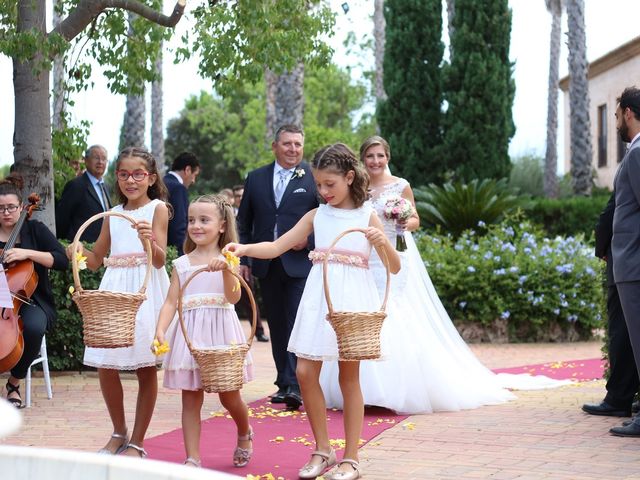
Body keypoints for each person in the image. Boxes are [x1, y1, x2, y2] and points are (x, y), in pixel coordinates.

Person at [320, 136, 570, 415]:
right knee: (366, 312)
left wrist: (401, 220)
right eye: (370, 156)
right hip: (368, 258)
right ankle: (362, 387)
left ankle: (391, 390)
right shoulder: (360, 188)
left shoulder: (401, 185)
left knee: (392, 312)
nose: (375, 161)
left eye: (380, 155)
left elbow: (415, 219)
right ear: (363, 159)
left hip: (395, 254)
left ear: (387, 157)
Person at [226, 143, 401, 480]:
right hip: (318, 298)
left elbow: (394, 267)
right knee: (305, 373)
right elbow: (277, 246)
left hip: (351, 301)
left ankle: (352, 457)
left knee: (348, 377)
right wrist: (244, 247)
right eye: (319, 185)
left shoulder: (367, 215)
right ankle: (323, 448)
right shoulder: (317, 215)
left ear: (349, 178)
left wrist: (380, 242)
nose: (323, 191)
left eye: (329, 184)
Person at [74, 146, 170, 456]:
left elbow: (158, 261)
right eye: (124, 174)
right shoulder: (113, 214)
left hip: (144, 291)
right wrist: (73, 252)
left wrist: (148, 239)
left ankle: (138, 441)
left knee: (144, 366)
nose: (131, 180)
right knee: (106, 364)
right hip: (114, 289)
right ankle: (118, 430)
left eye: (138, 174)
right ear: (117, 177)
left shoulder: (157, 208)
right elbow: (95, 259)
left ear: (151, 178)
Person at [154, 194, 253, 469]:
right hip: (191, 337)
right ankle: (192, 458)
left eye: (204, 220)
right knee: (190, 396)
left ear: (222, 226)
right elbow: (171, 302)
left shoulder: (230, 258)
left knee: (229, 395)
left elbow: (233, 298)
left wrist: (225, 270)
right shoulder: (182, 264)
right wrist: (161, 330)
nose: (196, 226)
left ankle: (244, 431)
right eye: (191, 220)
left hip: (221, 335)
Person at [236, 125, 318, 410]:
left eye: (298, 144)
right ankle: (283, 383)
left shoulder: (313, 177)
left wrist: (308, 241)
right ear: (275, 146)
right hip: (265, 264)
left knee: (297, 320)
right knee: (278, 324)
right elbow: (244, 223)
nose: (293, 149)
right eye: (287, 144)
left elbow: (328, 217)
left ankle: (297, 384)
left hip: (300, 264)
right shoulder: (256, 178)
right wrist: (244, 261)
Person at [1, 174, 69, 408]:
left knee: (33, 328)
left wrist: (27, 253)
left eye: (11, 207)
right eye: (0, 208)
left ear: (21, 207)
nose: (6, 212)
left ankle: (13, 383)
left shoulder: (35, 230)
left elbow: (61, 260)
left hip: (30, 301)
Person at [582, 192, 639, 418]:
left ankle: (619, 397)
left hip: (628, 257)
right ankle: (622, 395)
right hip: (625, 256)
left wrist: (602, 246)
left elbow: (612, 210)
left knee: (623, 331)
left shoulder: (634, 156)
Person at [608, 87, 640, 437]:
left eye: (616, 115)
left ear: (629, 113)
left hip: (634, 264)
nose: (616, 121)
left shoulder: (637, 153)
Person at [56, 145, 111, 242]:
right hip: (81, 249)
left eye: (104, 158)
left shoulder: (106, 187)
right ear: (86, 160)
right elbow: (62, 220)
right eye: (96, 158)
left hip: (103, 246)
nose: (100, 162)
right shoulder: (76, 186)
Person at [164, 152, 200, 256]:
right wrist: (182, 254)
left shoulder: (162, 183)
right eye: (194, 175)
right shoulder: (178, 188)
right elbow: (179, 225)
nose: (193, 180)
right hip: (173, 253)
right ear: (187, 170)